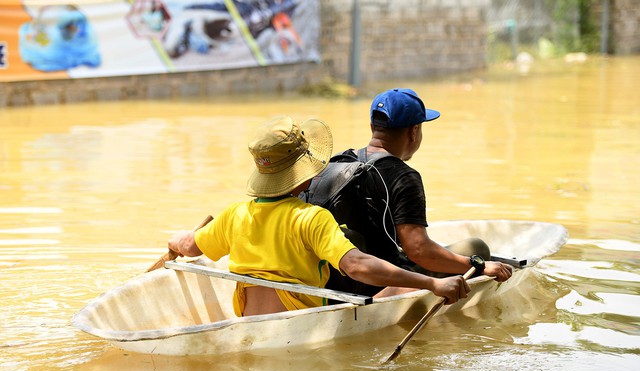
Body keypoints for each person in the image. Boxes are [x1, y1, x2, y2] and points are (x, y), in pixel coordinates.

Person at [168, 115, 471, 317]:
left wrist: (176, 240)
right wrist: (431, 284)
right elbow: (357, 265)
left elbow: (190, 246)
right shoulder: (311, 218)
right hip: (301, 322)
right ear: (304, 173)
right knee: (407, 281)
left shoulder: (234, 214)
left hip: (248, 319)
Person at [323, 88, 513, 298]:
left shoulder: (338, 162)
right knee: (476, 246)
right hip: (381, 286)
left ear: (372, 127)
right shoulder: (403, 176)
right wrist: (478, 265)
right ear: (414, 131)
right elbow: (419, 250)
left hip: (332, 281)